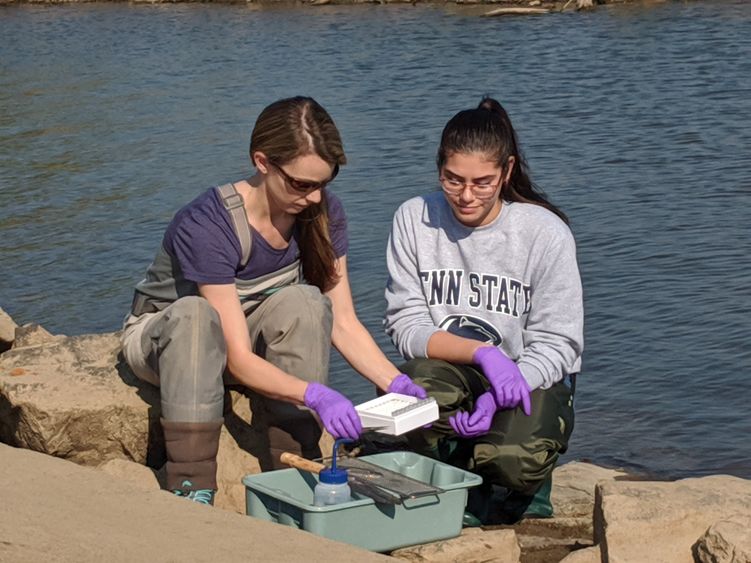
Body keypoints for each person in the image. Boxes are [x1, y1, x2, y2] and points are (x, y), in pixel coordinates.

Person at [121, 96, 426, 506]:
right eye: (302, 184)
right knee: (196, 316)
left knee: (307, 302)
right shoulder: (208, 223)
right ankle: (193, 488)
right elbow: (239, 360)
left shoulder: (321, 213)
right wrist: (315, 393)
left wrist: (396, 384)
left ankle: (293, 465)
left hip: (239, 339)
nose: (315, 197)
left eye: (324, 183)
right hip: (170, 345)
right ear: (262, 162)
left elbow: (344, 321)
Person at [384, 97, 583, 525]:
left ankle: (521, 483)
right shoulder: (413, 218)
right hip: (451, 367)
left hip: (527, 375)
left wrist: (501, 390)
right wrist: (481, 354)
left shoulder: (545, 233)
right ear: (439, 166)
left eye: (482, 182)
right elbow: (406, 324)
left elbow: (560, 343)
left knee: (512, 459)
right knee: (412, 395)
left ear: (507, 171)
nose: (466, 196)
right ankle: (454, 474)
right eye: (452, 180)